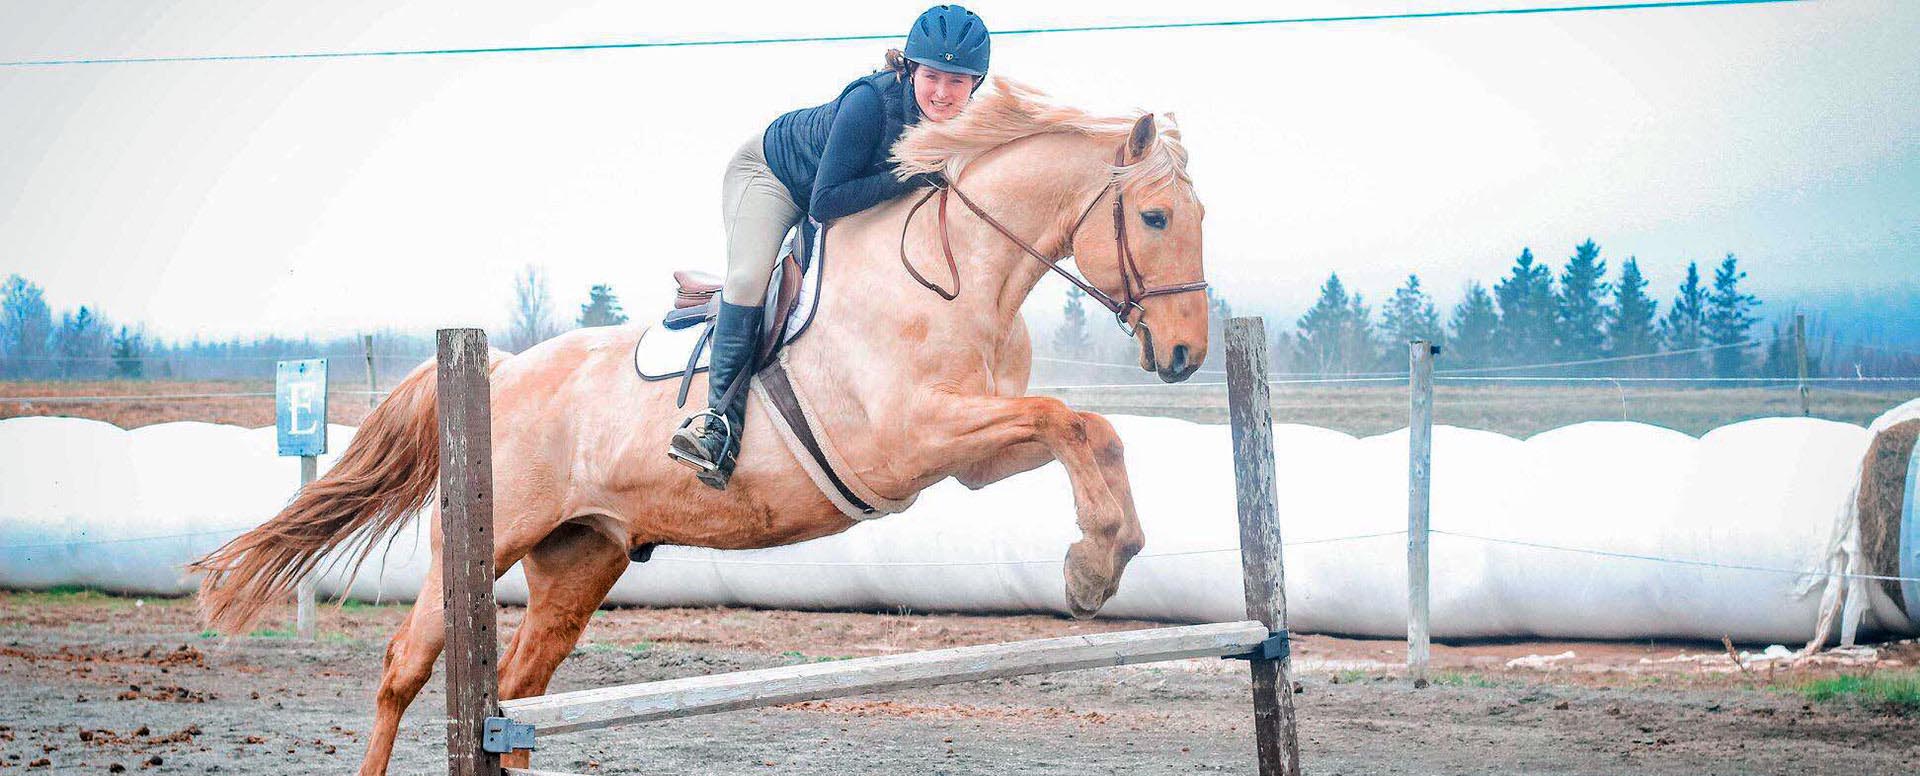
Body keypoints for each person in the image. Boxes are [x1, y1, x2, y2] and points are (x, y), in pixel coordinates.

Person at [669, 5, 992, 489]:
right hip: (775, 177)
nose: (943, 94)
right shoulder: (870, 103)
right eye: (932, 77)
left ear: (976, 84)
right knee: (750, 279)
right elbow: (824, 203)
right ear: (909, 69)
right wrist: (913, 174)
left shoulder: (967, 124)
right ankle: (717, 425)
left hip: (847, 190)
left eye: (957, 81)